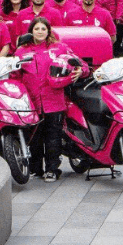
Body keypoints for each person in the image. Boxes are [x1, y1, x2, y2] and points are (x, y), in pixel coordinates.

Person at [17, 17, 88, 181]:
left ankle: (52, 170)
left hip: (54, 102)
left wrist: (81, 72)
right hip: (30, 102)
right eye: (36, 29)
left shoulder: (59, 47)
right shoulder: (21, 51)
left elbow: (80, 64)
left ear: (48, 31)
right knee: (34, 137)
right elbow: (15, 74)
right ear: (31, 31)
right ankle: (36, 169)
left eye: (43, 29)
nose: (40, 32)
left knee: (53, 137)